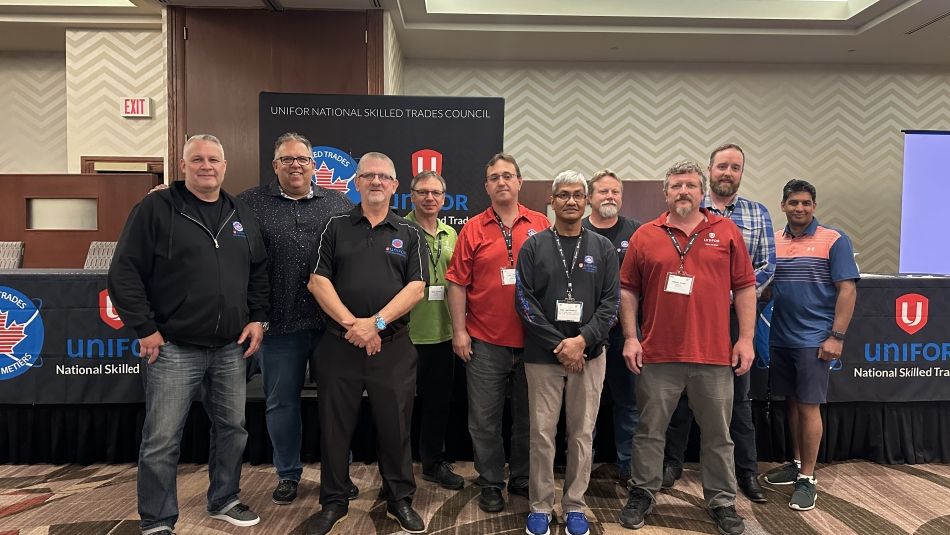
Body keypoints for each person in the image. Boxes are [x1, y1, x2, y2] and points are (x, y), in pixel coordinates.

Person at [108, 134, 269, 535]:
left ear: (225, 166)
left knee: (232, 429)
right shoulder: (155, 208)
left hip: (231, 347)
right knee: (162, 439)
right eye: (197, 159)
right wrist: (145, 328)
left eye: (214, 159)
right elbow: (124, 272)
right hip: (173, 347)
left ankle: (224, 499)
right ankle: (158, 520)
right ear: (183, 166)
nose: (206, 166)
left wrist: (258, 319)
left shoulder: (240, 214)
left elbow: (259, 273)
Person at [617, 161, 756, 535]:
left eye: (691, 186)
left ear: (701, 191)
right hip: (658, 354)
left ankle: (722, 501)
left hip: (713, 355)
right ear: (666, 193)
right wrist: (631, 337)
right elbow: (627, 289)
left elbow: (744, 287)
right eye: (676, 186)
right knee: (649, 431)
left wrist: (745, 338)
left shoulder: (725, 231)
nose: (683, 191)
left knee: (717, 435)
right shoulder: (647, 235)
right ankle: (642, 492)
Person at [306, 152, 428, 535]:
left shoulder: (409, 234)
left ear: (395, 186)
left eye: (384, 177)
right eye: (368, 176)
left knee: (395, 426)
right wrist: (352, 326)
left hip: (391, 347)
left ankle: (398, 499)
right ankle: (334, 499)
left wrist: (374, 324)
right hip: (338, 345)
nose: (376, 182)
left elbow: (416, 288)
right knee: (334, 426)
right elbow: (317, 281)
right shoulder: (335, 226)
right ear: (356, 183)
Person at [237, 132, 355, 505]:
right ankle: (288, 474)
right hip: (279, 325)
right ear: (275, 165)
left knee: (336, 403)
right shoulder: (250, 204)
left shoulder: (339, 205)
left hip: (330, 326)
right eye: (287, 159)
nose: (295, 165)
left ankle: (339, 473)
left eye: (302, 159)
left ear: (313, 164)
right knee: (280, 404)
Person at [662, 144, 775, 503]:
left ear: (742, 173)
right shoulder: (687, 207)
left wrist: (729, 294)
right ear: (709, 171)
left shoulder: (758, 213)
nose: (728, 172)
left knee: (739, 399)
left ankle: (746, 471)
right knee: (680, 393)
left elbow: (767, 266)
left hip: (736, 317)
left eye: (735, 167)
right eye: (722, 166)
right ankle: (671, 464)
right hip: (690, 315)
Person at [516, 170, 619, 535]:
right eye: (563, 195)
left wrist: (582, 341)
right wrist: (561, 345)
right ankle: (541, 506)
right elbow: (525, 303)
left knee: (581, 434)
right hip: (544, 357)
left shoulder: (603, 249)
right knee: (542, 434)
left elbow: (610, 304)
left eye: (577, 194)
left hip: (589, 357)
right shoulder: (533, 246)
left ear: (587, 199)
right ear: (552, 199)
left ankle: (575, 504)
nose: (571, 201)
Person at [445, 153, 550, 513]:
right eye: (494, 177)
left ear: (519, 182)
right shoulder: (472, 228)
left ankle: (521, 476)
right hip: (485, 342)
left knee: (529, 418)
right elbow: (457, 283)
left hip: (534, 343)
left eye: (508, 175)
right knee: (484, 420)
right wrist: (459, 331)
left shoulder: (541, 224)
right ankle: (491, 481)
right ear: (486, 186)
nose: (502, 181)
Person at [762, 179, 858, 511]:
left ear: (814, 206)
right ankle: (796, 461)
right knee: (791, 403)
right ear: (783, 205)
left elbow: (847, 290)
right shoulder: (773, 241)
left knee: (808, 406)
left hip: (815, 340)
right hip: (781, 338)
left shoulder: (834, 239)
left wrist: (836, 337)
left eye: (806, 203)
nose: (799, 208)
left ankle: (808, 478)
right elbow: (769, 288)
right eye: (793, 203)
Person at [404, 171, 465, 490]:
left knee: (438, 404)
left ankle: (432, 462)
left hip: (442, 334)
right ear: (411, 195)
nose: (430, 198)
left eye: (436, 193)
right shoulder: (397, 230)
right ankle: (397, 469)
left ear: (444, 198)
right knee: (399, 407)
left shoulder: (452, 234)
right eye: (423, 192)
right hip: (405, 335)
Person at [581, 169, 641, 481]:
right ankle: (581, 468)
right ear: (589, 197)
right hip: (585, 334)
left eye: (615, 192)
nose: (610, 197)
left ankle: (628, 467)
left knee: (628, 403)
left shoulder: (637, 232)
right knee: (583, 406)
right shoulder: (575, 231)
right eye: (603, 192)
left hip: (624, 334)